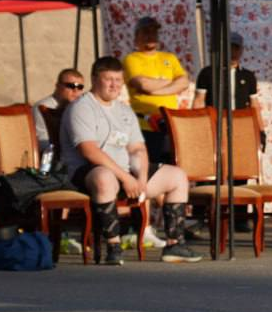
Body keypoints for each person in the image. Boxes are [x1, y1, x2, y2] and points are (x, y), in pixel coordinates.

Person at [61, 56, 201, 265]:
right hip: (88, 171)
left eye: (118, 80)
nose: (114, 85)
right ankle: (113, 246)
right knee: (104, 178)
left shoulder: (124, 110)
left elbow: (137, 148)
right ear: (94, 79)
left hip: (126, 172)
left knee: (177, 176)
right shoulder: (82, 107)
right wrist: (126, 178)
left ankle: (175, 244)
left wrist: (142, 178)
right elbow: (89, 150)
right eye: (108, 79)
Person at [122, 17, 188, 163]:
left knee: (174, 165)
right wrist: (170, 82)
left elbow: (183, 82)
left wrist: (156, 90)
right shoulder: (131, 59)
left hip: (171, 123)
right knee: (150, 166)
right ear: (136, 36)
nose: (150, 36)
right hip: (146, 124)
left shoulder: (169, 58)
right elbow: (143, 84)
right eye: (146, 32)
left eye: (154, 32)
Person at [193, 32, 259, 111]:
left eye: (236, 48)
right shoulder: (208, 73)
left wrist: (258, 122)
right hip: (215, 120)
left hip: (240, 120)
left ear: (241, 50)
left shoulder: (248, 76)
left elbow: (254, 104)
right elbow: (199, 101)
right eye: (229, 48)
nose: (233, 52)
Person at [34, 68, 86, 154]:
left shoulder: (80, 107)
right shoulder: (43, 107)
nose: (75, 90)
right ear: (58, 86)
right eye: (70, 86)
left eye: (80, 87)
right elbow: (42, 142)